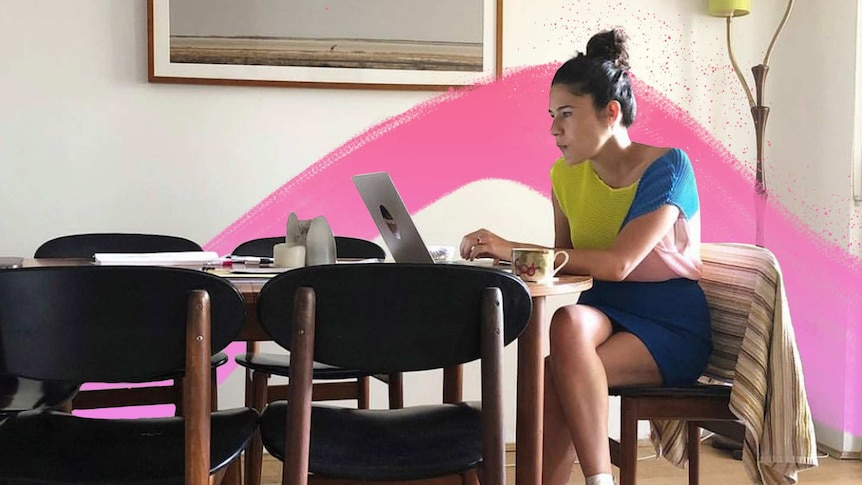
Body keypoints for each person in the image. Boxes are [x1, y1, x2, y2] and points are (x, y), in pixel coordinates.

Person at [459, 28, 712, 485]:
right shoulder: (564, 175)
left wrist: (509, 247)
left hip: (670, 321)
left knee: (554, 374)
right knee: (566, 323)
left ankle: (593, 480)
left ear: (610, 112)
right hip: (602, 311)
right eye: (553, 115)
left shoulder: (669, 167)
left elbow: (619, 263)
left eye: (567, 114)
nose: (554, 129)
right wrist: (503, 257)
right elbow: (569, 260)